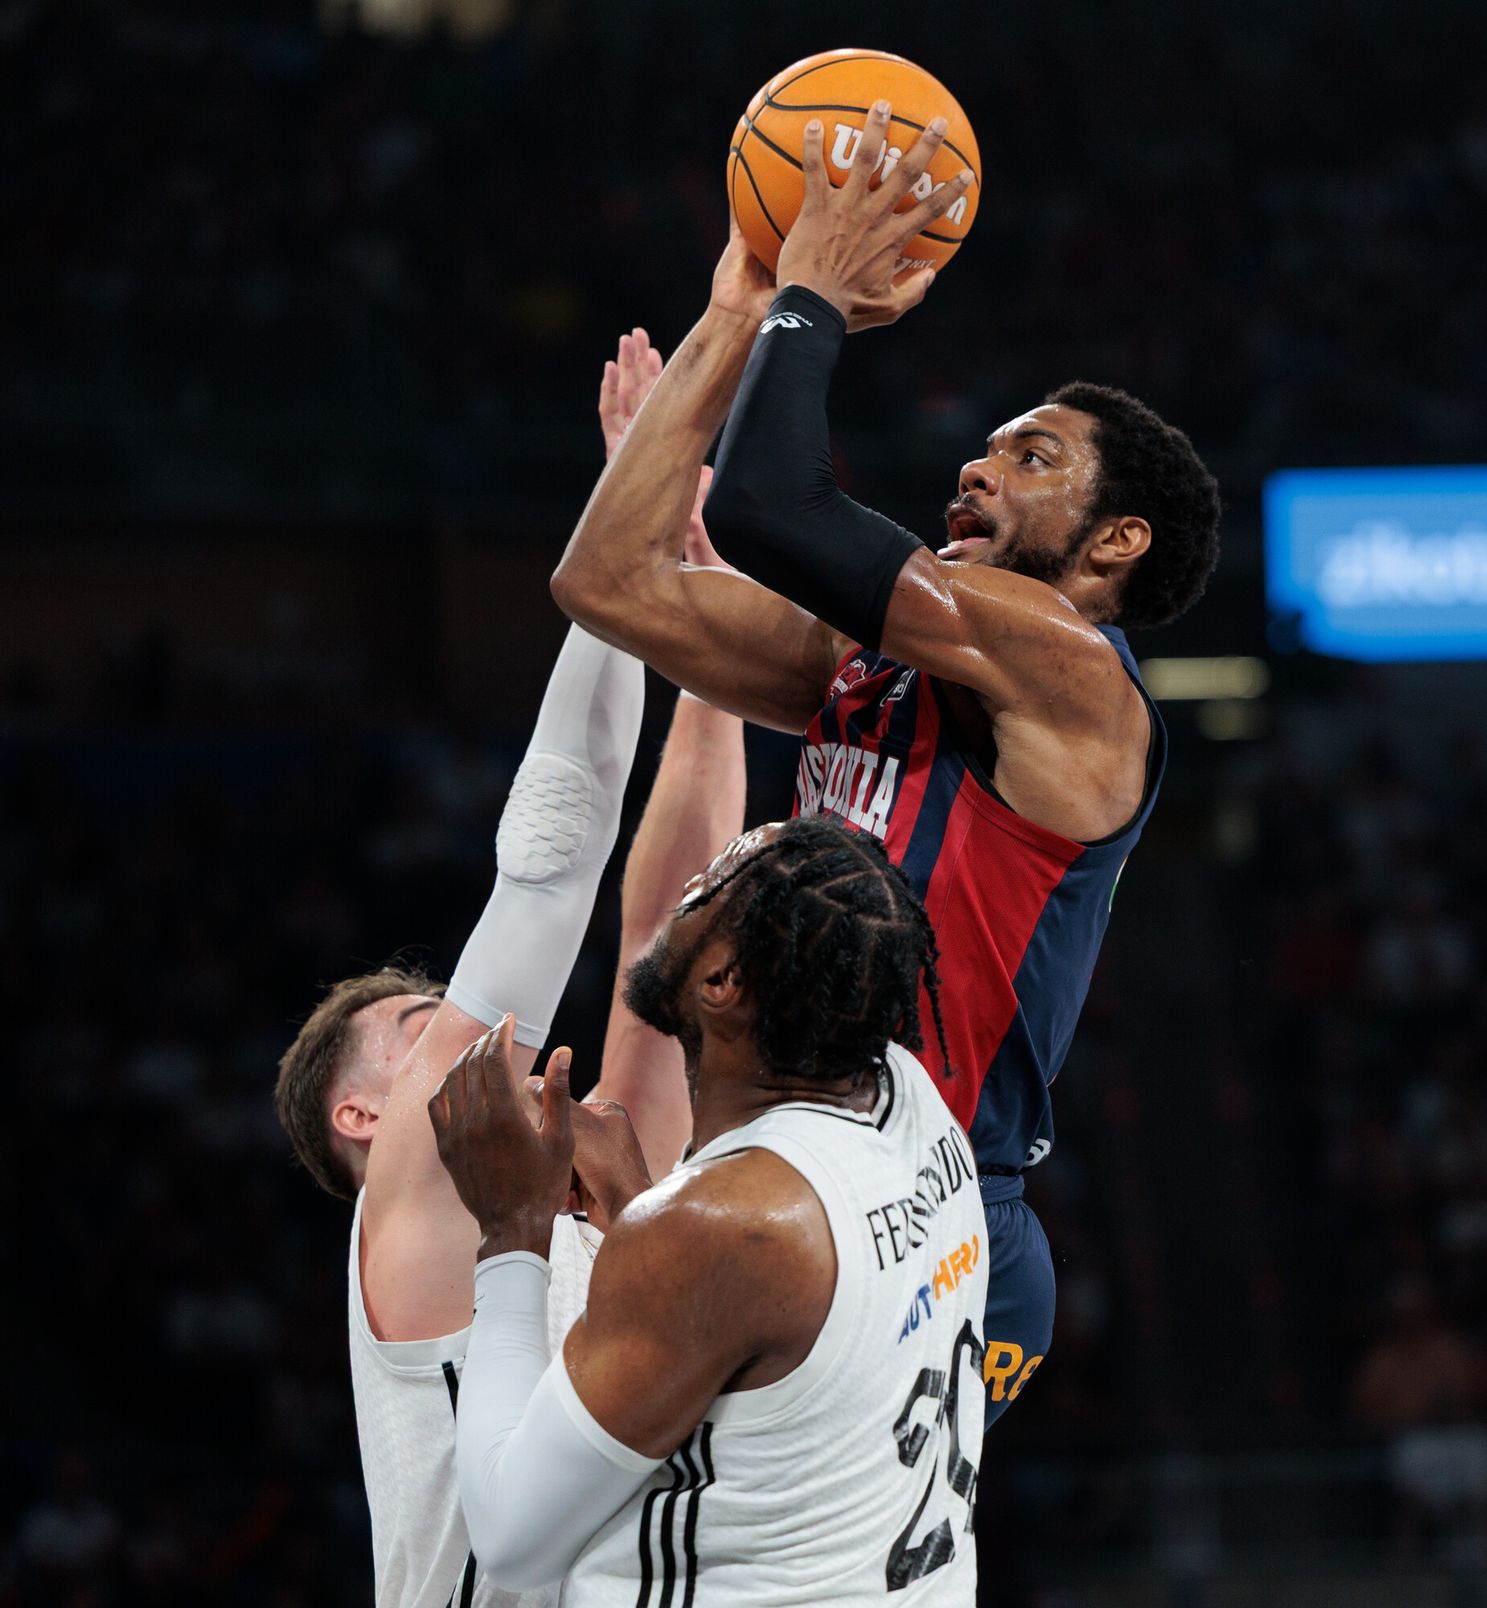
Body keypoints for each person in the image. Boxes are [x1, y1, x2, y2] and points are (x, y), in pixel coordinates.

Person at [549, 104, 1221, 1423]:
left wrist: (808, 294)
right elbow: (607, 581)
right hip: (786, 1165)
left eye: (1033, 458)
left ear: (1116, 543)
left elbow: (766, 510)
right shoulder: (881, 663)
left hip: (929, 1196)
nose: (977, 467)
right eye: (988, 444)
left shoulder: (1072, 668)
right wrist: (736, 304)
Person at [272, 357, 747, 1608]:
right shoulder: (417, 1211)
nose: (493, 1049)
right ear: (361, 1122)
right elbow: (550, 867)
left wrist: (701, 629)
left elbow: (682, 921)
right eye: (427, 1032)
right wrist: (624, 529)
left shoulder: (593, 1201)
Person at [430, 818, 989, 1605]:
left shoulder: (729, 1225)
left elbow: (510, 1536)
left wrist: (511, 1226)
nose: (691, 879)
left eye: (716, 876)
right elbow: (779, 1343)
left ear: (721, 983)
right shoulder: (910, 1101)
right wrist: (638, 1201)